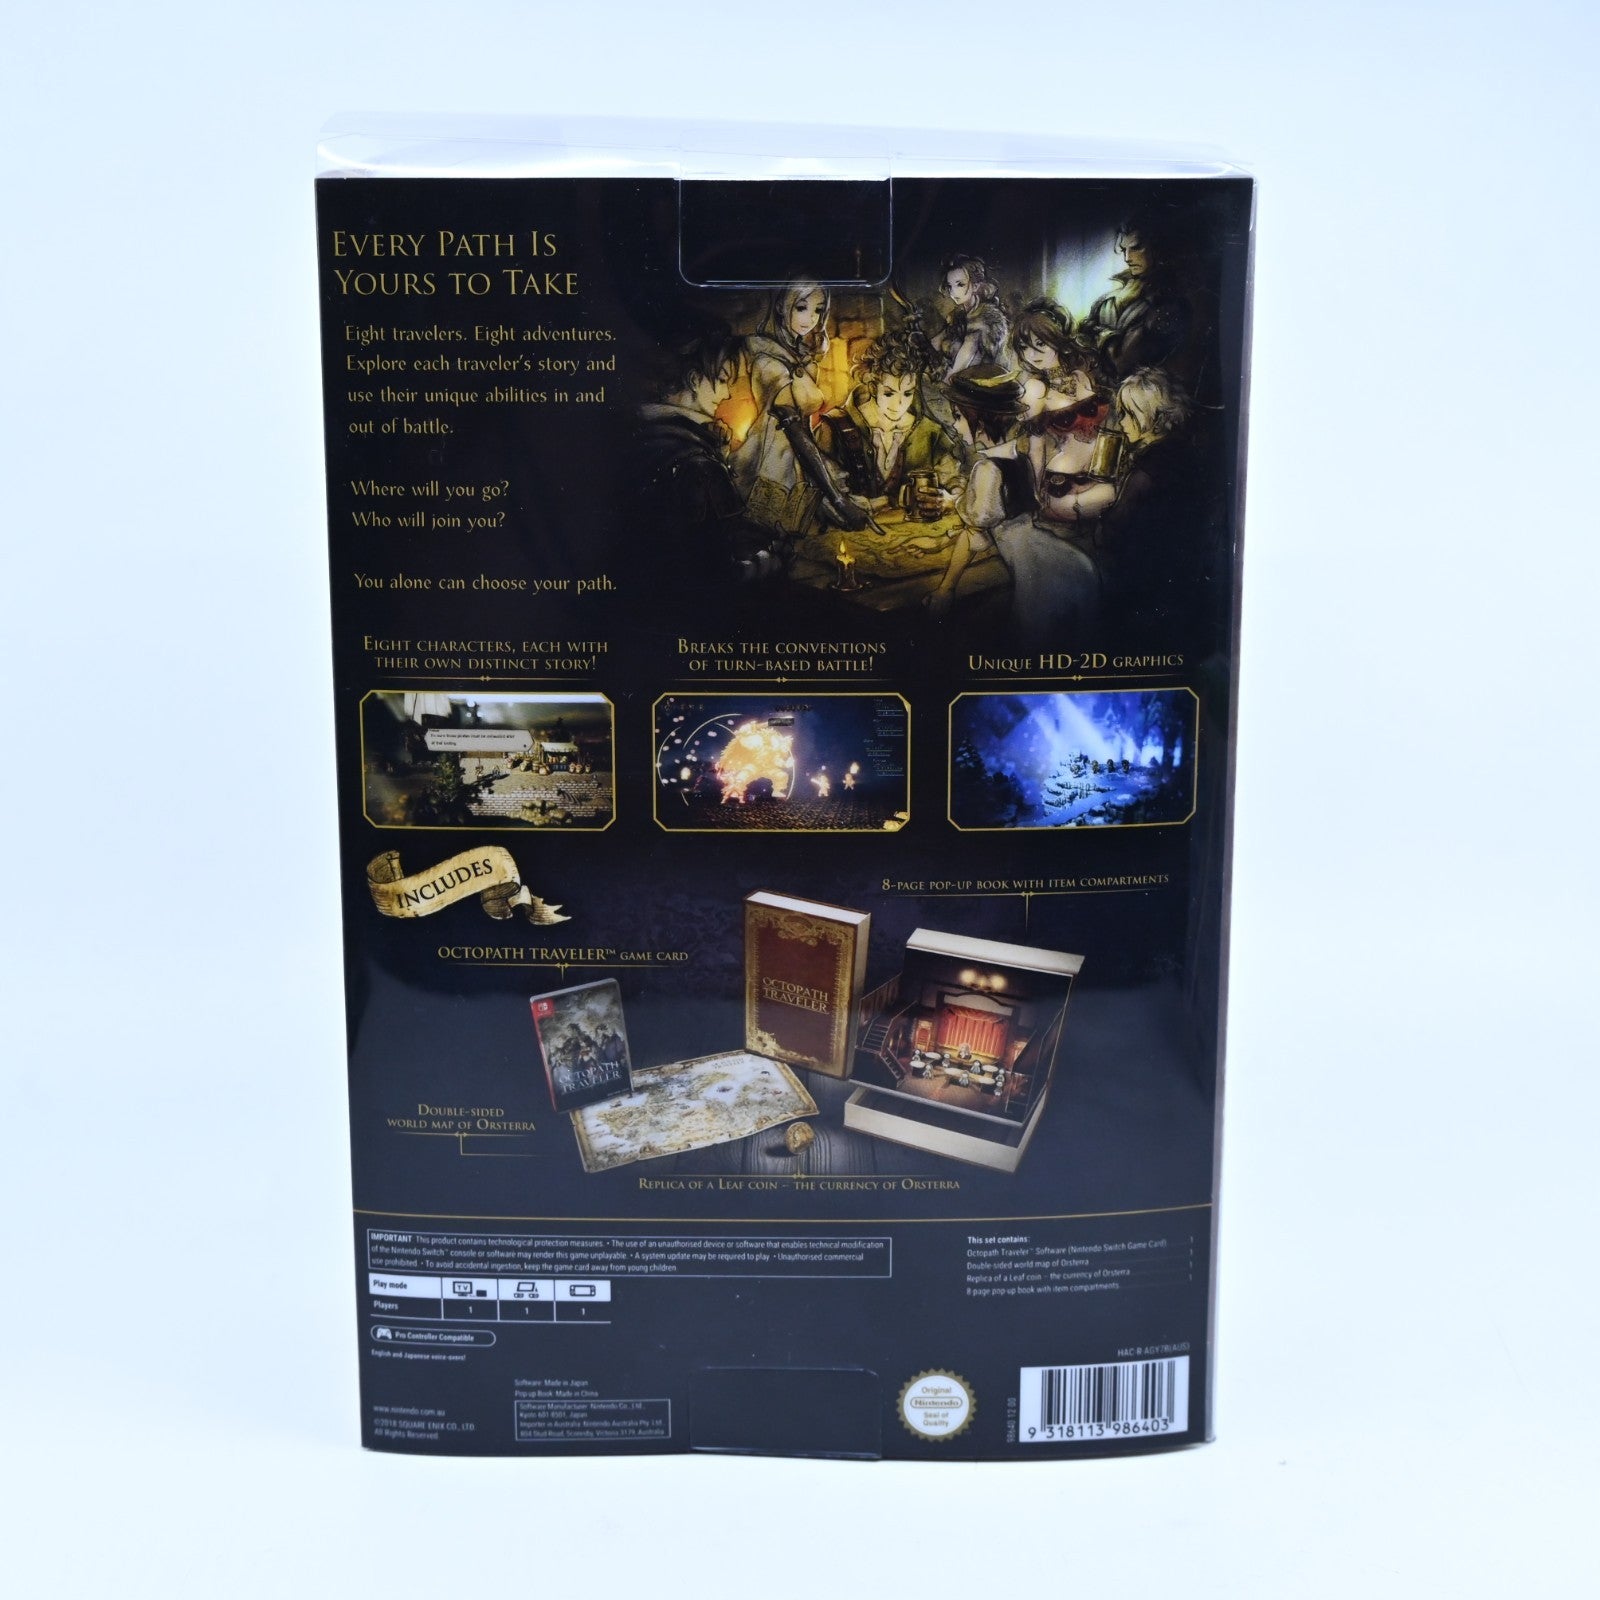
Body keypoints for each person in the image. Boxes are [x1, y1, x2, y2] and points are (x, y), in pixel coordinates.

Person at [635, 328, 776, 591]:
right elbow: (722, 568)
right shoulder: (700, 464)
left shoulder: (645, 435)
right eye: (722, 381)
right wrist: (767, 561)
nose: (726, 395)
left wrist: (718, 452)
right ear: (694, 379)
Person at [813, 330, 963, 509]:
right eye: (889, 393)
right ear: (873, 388)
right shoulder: (835, 426)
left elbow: (955, 482)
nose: (899, 403)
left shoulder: (929, 432)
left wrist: (949, 499)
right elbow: (819, 491)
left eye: (907, 393)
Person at [732, 281, 833, 538]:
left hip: (803, 459)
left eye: (818, 310)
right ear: (781, 307)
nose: (811, 318)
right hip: (773, 462)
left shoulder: (801, 358)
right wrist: (836, 497)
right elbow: (794, 429)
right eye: (801, 307)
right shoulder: (767, 360)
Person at [1086, 223, 1193, 379]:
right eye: (1124, 250)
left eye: (1136, 248)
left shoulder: (1168, 303)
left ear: (1156, 248)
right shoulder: (1116, 293)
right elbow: (1083, 334)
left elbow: (1121, 363)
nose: (1127, 258)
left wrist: (1100, 334)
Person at [934, 254, 1009, 379]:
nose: (953, 292)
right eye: (950, 286)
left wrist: (948, 378)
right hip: (964, 377)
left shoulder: (984, 318)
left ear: (975, 286)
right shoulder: (959, 315)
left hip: (988, 379)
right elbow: (938, 341)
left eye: (960, 284)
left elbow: (968, 352)